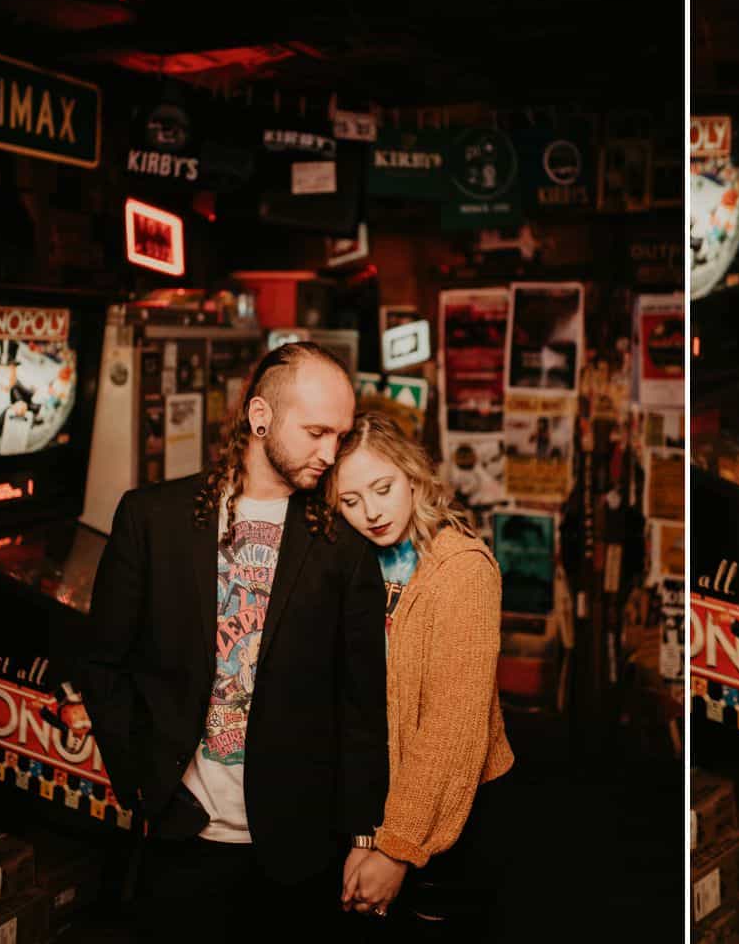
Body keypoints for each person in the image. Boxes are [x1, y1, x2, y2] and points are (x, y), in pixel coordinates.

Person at [78, 342, 388, 942]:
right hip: (179, 835)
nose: (330, 454)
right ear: (260, 416)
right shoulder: (152, 519)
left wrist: (364, 835)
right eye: (316, 432)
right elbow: (104, 664)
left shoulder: (342, 546)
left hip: (299, 849)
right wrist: (141, 781)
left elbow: (361, 706)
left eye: (340, 437)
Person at [329, 412, 515, 939]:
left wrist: (396, 849)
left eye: (383, 489)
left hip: (456, 808)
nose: (371, 512)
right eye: (350, 500)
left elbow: (451, 727)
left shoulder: (462, 570)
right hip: (378, 805)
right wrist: (364, 834)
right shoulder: (353, 563)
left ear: (413, 477)